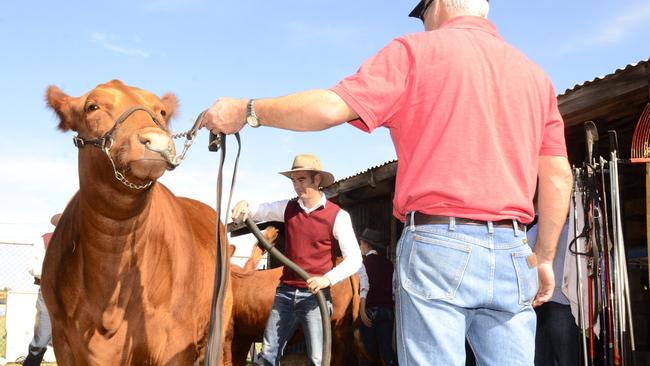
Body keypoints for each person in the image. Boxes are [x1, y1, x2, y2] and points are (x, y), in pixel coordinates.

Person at [202, 0, 574, 364]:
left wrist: (248, 110)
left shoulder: (414, 53)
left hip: (439, 244)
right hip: (512, 249)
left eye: (423, 13)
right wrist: (543, 257)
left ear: (439, 3)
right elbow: (558, 175)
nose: (424, 23)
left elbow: (331, 107)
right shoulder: (535, 77)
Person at [231, 153, 362, 366]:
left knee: (318, 359)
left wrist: (326, 279)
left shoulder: (338, 216)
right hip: (285, 293)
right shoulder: (288, 208)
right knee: (268, 353)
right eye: (294, 180)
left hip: (315, 296)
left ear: (316, 180)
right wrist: (246, 205)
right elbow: (262, 210)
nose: (296, 186)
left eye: (302, 180)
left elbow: (355, 259)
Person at [528, 218, 579, 366]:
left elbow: (527, 261)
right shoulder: (573, 231)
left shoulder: (535, 230)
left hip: (538, 301)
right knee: (566, 358)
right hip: (562, 301)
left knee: (540, 357)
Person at [22, 213, 61, 366]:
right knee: (42, 337)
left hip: (77, 294)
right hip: (49, 291)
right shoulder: (45, 240)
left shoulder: (82, 240)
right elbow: (34, 268)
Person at [357, 228, 397, 366]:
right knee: (386, 350)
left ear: (367, 244)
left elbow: (364, 287)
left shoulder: (363, 264)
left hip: (369, 311)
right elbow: (393, 291)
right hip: (387, 311)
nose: (360, 246)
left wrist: (362, 311)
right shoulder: (389, 264)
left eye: (361, 243)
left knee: (368, 353)